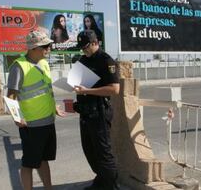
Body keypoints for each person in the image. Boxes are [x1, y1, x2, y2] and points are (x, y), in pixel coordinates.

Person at [7, 30, 65, 190]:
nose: (49, 49)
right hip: (31, 125)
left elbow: (47, 90)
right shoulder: (19, 67)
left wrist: (55, 107)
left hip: (48, 121)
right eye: (45, 46)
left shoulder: (44, 63)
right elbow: (10, 95)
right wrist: (17, 118)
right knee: (29, 163)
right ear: (33, 48)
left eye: (49, 45)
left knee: (43, 159)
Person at [73, 30, 120, 190]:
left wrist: (87, 91)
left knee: (104, 155)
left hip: (99, 112)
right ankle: (101, 182)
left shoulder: (106, 61)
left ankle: (111, 186)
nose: (83, 51)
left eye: (85, 47)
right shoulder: (83, 60)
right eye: (81, 48)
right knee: (90, 151)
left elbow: (114, 89)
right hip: (85, 113)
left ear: (95, 43)